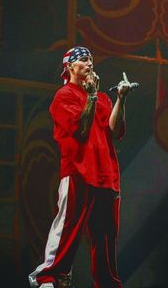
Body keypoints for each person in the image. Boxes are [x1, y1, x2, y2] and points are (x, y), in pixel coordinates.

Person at [29, 46, 132, 288]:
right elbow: (81, 131)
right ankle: (48, 277)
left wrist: (120, 98)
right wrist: (92, 97)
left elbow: (115, 131)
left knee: (105, 239)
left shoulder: (103, 98)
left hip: (106, 175)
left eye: (91, 60)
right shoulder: (64, 95)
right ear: (70, 66)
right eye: (84, 59)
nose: (90, 64)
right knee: (67, 229)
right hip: (78, 172)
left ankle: (107, 284)